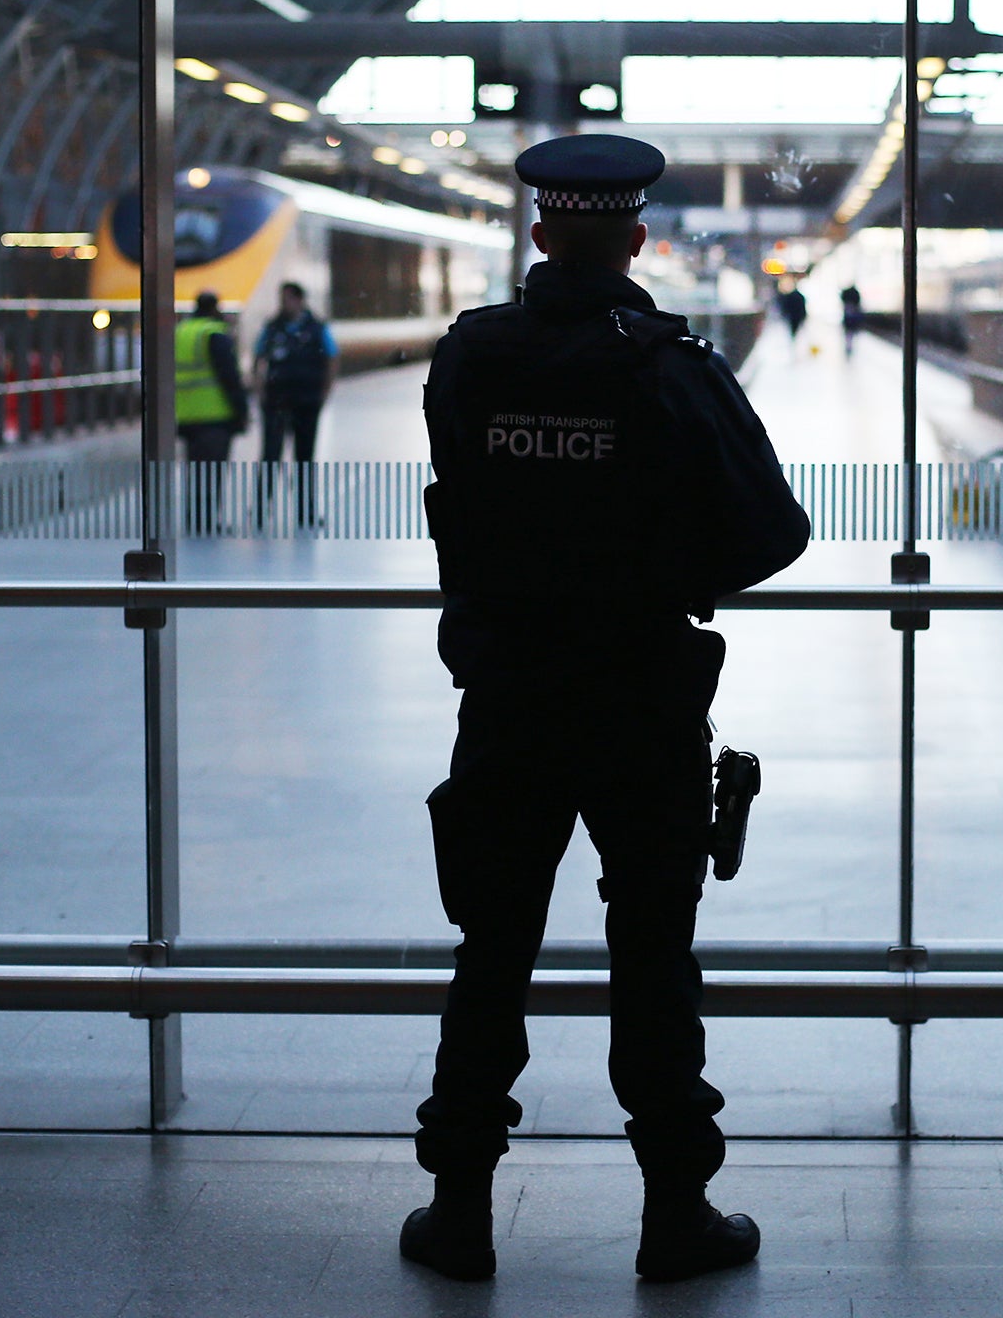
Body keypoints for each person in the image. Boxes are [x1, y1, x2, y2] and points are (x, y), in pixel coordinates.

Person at [405, 134, 810, 1285]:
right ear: (636, 236)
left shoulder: (472, 359)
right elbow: (772, 534)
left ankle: (461, 1216)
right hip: (639, 700)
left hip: (507, 699)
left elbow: (462, 502)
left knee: (490, 954)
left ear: (541, 235)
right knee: (652, 959)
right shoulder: (668, 367)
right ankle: (676, 1216)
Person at [252, 281, 337, 524]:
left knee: (304, 457)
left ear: (300, 300)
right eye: (282, 299)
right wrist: (260, 391)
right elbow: (259, 358)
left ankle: (306, 512)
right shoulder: (272, 328)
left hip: (307, 401)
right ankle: (260, 509)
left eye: (288, 298)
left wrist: (325, 392)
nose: (284, 304)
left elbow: (332, 358)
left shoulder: (317, 328)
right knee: (270, 455)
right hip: (276, 401)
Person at [174, 290, 248, 532]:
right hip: (214, 414)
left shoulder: (181, 332)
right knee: (212, 472)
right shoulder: (214, 333)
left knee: (194, 470)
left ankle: (193, 518)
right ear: (216, 308)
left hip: (186, 414)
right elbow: (230, 377)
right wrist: (241, 410)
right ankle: (206, 521)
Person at [839, 284, 865, 357]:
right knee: (851, 331)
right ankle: (849, 345)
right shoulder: (855, 293)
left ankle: (848, 345)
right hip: (853, 316)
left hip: (848, 317)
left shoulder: (846, 293)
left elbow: (842, 298)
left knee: (848, 332)